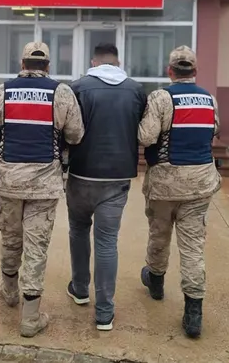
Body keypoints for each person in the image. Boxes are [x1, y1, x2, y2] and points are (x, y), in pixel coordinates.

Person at [0, 42, 84, 338]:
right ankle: (30, 318)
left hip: (9, 181)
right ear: (47, 66)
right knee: (36, 246)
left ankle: (9, 290)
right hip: (44, 183)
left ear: (22, 64)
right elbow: (75, 135)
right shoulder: (61, 92)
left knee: (10, 237)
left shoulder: (2, 91)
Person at [137, 46, 221, 339]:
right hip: (200, 183)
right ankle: (193, 314)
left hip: (165, 183)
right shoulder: (209, 98)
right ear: (195, 71)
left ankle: (156, 282)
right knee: (193, 247)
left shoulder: (161, 97)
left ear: (169, 71)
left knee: (159, 235)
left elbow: (146, 136)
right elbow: (214, 130)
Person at [65, 43, 146, 331]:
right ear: (118, 62)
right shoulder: (136, 90)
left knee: (78, 229)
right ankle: (104, 313)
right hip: (117, 177)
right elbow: (142, 130)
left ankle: (80, 289)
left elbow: (67, 131)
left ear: (93, 62)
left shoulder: (77, 88)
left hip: (81, 174)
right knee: (107, 241)